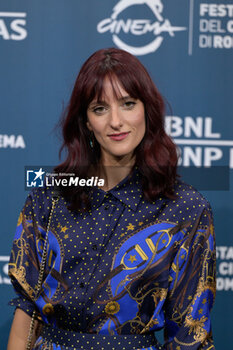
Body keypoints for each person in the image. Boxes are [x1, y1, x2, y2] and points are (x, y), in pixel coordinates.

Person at [7, 48, 216, 350]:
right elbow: (27, 310)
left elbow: (190, 334)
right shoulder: (49, 195)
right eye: (100, 108)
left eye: (128, 103)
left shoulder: (186, 208)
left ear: (147, 110)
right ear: (86, 121)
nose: (116, 121)